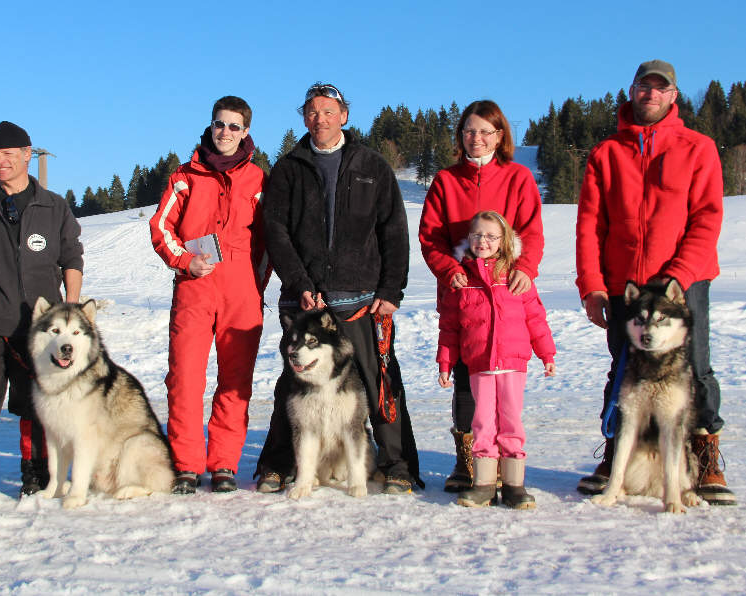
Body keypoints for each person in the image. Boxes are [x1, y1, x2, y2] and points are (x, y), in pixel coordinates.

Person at [575, 60, 734, 505]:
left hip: (684, 282)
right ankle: (615, 455)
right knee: (624, 370)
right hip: (625, 284)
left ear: (673, 97)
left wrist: (679, 277)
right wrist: (592, 285)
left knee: (695, 368)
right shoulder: (607, 153)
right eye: (643, 86)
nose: (650, 93)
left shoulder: (697, 147)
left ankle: (704, 455)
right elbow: (590, 224)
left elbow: (707, 218)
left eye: (659, 87)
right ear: (631, 91)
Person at [255, 82, 422, 495]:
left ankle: (397, 465)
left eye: (329, 112)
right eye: (312, 112)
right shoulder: (290, 169)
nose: (320, 119)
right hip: (305, 299)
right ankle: (277, 464)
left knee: (379, 379)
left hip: (362, 299)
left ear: (344, 115)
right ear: (304, 117)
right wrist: (299, 282)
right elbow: (276, 231)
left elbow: (394, 232)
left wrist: (391, 290)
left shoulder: (371, 165)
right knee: (294, 385)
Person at [0, 121, 84, 512]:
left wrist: (69, 309)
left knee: (37, 404)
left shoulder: (53, 206)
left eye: (7, 154)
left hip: (39, 329)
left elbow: (71, 256)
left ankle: (36, 476)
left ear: (27, 154)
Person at [417, 100, 545, 492]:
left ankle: (507, 462)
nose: (476, 139)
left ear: (500, 136)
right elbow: (430, 237)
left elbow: (533, 232)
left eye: (485, 132)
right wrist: (450, 270)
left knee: (503, 385)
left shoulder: (517, 177)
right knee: (464, 381)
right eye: (469, 131)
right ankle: (467, 458)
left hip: (505, 296)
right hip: (462, 294)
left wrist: (523, 269)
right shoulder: (446, 180)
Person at [149, 96, 268, 494]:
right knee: (184, 377)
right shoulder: (185, 176)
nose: (226, 133)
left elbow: (270, 241)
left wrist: (256, 284)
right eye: (220, 124)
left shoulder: (258, 180)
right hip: (195, 287)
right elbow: (161, 227)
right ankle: (186, 463)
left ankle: (224, 464)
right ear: (210, 125)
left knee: (235, 380)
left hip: (241, 291)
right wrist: (184, 262)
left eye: (235, 127)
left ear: (246, 132)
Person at [437, 211, 556, 509]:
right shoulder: (461, 280)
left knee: (511, 421)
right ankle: (484, 484)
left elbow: (536, 318)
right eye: (477, 235)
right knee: (482, 422)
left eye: (491, 236)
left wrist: (547, 354)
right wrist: (445, 363)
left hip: (513, 363)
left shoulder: (517, 278)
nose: (483, 241)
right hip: (479, 364)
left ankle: (514, 485)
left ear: (504, 241)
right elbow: (449, 327)